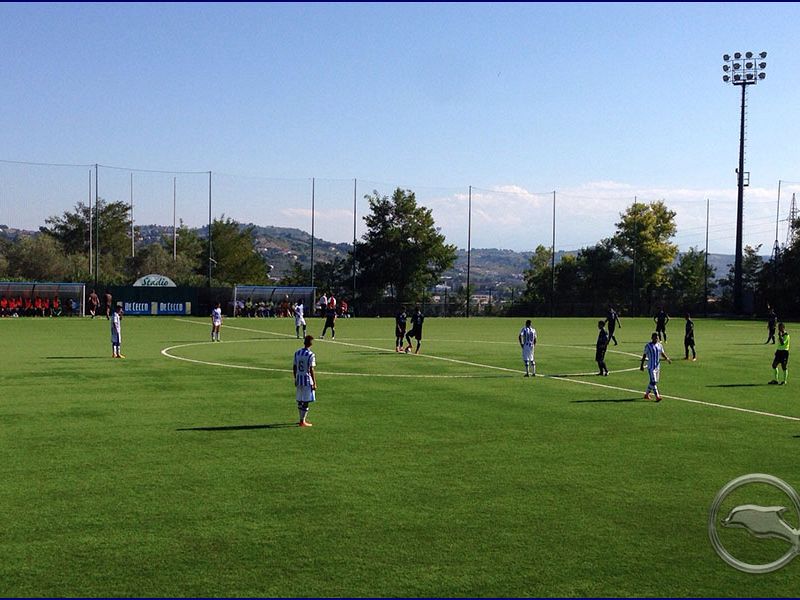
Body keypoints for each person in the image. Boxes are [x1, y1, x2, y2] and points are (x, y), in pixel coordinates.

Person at [293, 335, 317, 427]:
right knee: (306, 400)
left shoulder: (297, 353)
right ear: (311, 343)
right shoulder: (311, 355)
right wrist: (314, 382)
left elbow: (294, 367)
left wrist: (295, 378)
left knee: (300, 399)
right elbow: (311, 369)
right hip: (307, 380)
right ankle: (302, 421)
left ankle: (301, 418)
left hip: (299, 379)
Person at [640, 332, 671, 401]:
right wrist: (641, 365)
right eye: (655, 337)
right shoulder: (648, 346)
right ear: (652, 338)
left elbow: (662, 353)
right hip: (651, 367)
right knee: (653, 381)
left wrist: (667, 359)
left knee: (654, 381)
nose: (656, 339)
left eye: (657, 338)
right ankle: (657, 396)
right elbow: (644, 355)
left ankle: (646, 394)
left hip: (657, 366)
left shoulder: (659, 345)